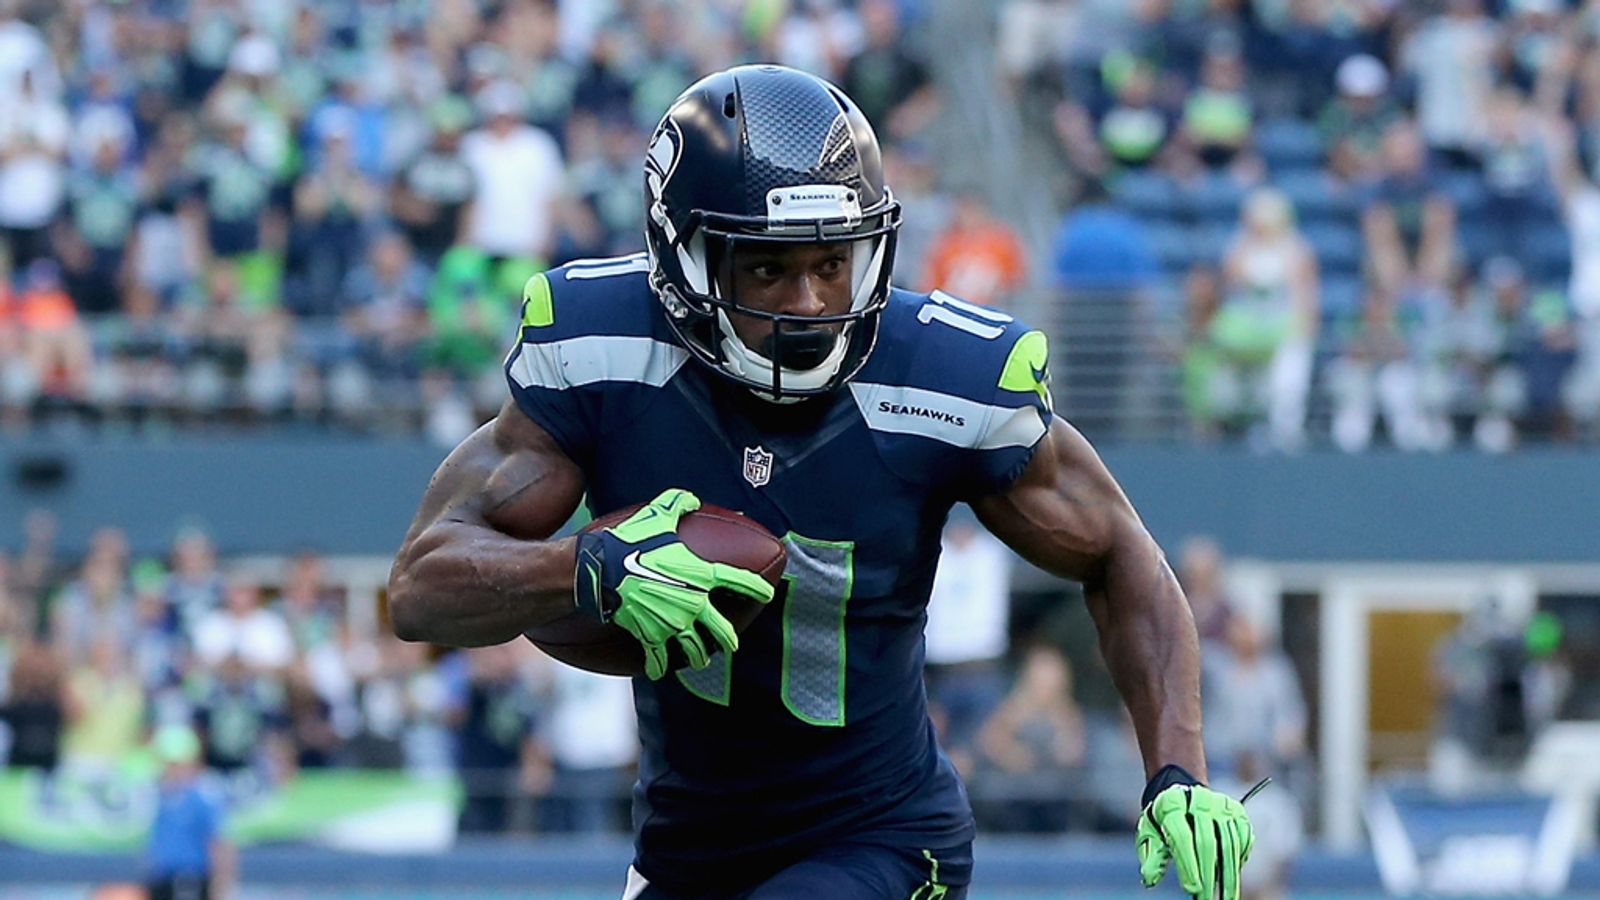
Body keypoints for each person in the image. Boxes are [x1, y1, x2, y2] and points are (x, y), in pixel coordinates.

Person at [388, 66, 1254, 900]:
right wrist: (585, 567)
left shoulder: (942, 378)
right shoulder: (601, 351)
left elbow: (1115, 553)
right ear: (686, 259)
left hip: (881, 835)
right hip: (689, 849)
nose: (809, 302)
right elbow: (419, 587)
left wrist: (1175, 765)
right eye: (769, 268)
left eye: (833, 261)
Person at [144, 724, 235, 900]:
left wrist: (222, 885)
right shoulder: (160, 797)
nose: (168, 769)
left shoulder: (202, 798)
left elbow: (220, 843)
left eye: (174, 764)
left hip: (189, 878)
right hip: (162, 878)